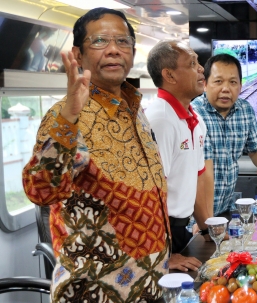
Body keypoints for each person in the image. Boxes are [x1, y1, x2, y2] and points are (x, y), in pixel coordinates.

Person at [22, 8, 171, 302]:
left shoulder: (135, 109)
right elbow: (40, 191)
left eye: (123, 42)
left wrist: (168, 252)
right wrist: (68, 118)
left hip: (152, 286)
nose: (114, 50)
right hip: (94, 291)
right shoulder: (65, 116)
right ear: (77, 55)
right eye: (100, 41)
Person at [145, 40, 213, 272]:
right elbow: (149, 192)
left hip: (178, 231)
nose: (201, 69)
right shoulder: (160, 119)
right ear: (170, 76)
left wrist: (207, 229)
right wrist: (162, 256)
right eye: (192, 63)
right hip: (157, 237)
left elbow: (197, 176)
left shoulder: (194, 119)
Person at [192, 54, 257, 216]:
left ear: (240, 86)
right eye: (218, 81)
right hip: (195, 216)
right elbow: (201, 175)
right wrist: (203, 221)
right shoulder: (194, 114)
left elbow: (255, 147)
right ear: (205, 84)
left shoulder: (245, 110)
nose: (226, 88)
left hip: (225, 209)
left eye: (233, 82)